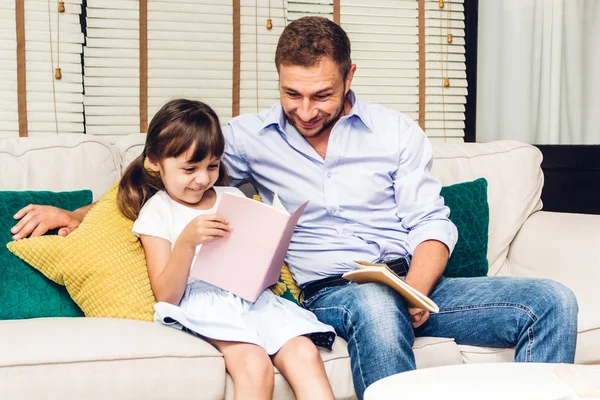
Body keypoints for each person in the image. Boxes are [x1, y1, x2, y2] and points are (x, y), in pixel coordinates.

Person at [11, 16, 579, 400]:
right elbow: (168, 172)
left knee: (550, 301)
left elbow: (431, 223)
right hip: (329, 290)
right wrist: (78, 216)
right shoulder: (250, 137)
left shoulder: (397, 133)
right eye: (292, 94)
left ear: (349, 77)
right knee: (376, 307)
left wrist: (419, 292)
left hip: (415, 283)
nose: (305, 110)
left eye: (322, 95)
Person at [126, 99, 338, 399]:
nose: (202, 179)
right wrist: (187, 242)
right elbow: (166, 295)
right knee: (254, 365)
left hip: (251, 300)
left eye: (212, 166)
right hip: (204, 305)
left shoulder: (231, 195)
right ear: (154, 162)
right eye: (189, 169)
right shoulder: (158, 211)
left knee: (304, 352)